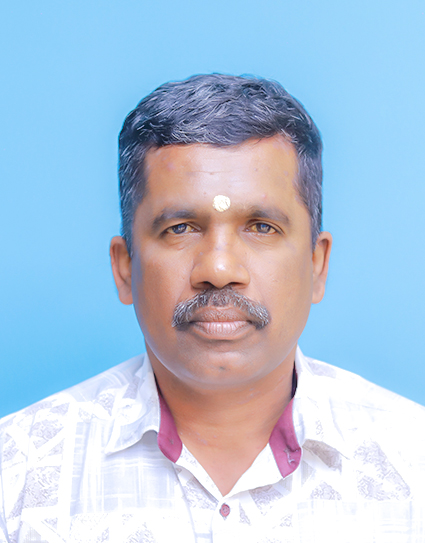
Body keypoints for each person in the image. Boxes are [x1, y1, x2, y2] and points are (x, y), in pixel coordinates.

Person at [1, 74, 424, 543]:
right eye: (180, 228)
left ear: (317, 264)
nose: (219, 270)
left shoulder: (414, 463)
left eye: (261, 227)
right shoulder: (16, 475)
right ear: (124, 268)